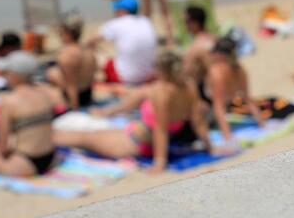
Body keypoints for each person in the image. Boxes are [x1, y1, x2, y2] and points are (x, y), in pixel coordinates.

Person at [54, 52, 212, 173]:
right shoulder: (189, 86)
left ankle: (40, 139)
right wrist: (209, 146)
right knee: (93, 133)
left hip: (136, 143)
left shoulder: (161, 92)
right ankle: (103, 113)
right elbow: (197, 120)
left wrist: (160, 162)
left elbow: (160, 129)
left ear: (161, 71)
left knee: (82, 138)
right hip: (139, 135)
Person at [200, 38, 264, 144]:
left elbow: (218, 107)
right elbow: (248, 98)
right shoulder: (240, 69)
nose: (211, 55)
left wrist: (227, 136)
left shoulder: (216, 72)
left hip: (206, 115)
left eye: (214, 52)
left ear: (220, 55)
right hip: (218, 108)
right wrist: (261, 123)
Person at [89, 0, 157, 86]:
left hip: (125, 78)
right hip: (148, 76)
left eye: (116, 9)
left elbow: (90, 41)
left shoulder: (116, 23)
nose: (114, 12)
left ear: (122, 10)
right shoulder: (146, 21)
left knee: (94, 53)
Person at [45, 14, 97, 109]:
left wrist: (74, 110)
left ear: (67, 33)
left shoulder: (66, 54)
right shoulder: (88, 50)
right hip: (87, 95)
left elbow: (71, 85)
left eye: (60, 32)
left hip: (75, 98)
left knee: (51, 74)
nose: (59, 36)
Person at [181, 6, 216, 85]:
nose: (185, 25)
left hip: (208, 87)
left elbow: (185, 71)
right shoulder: (215, 38)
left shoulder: (196, 45)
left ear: (195, 23)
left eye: (187, 22)